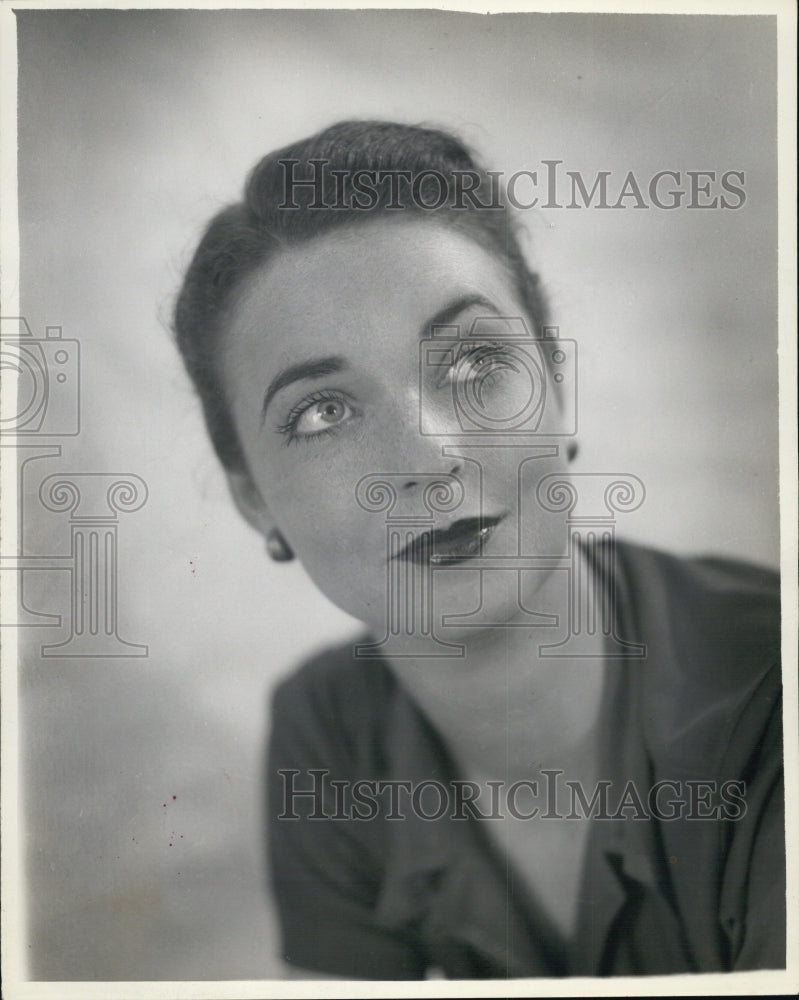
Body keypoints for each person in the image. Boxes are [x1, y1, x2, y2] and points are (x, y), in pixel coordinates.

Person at [172, 120, 783, 979]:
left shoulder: (771, 699)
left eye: (472, 362)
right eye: (323, 412)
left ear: (557, 385)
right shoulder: (331, 731)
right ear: (252, 498)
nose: (429, 460)